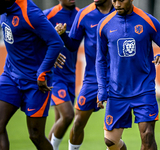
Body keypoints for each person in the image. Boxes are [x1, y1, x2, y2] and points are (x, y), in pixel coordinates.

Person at [96, 0, 160, 150]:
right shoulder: (104, 25)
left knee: (147, 136)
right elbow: (100, 60)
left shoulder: (148, 21)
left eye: (121, 0)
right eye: (114, 0)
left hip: (143, 89)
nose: (117, 4)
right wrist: (101, 89)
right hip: (116, 91)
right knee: (110, 141)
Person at [0, 0, 64, 149]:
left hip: (35, 82)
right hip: (10, 74)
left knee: (35, 135)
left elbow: (55, 43)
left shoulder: (30, 12)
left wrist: (43, 71)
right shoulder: (3, 9)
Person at [54, 0, 127, 150]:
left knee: (111, 141)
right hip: (92, 79)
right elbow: (73, 45)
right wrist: (62, 36)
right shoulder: (84, 14)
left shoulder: (121, 11)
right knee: (78, 122)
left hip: (118, 80)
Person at [43, 1, 79, 150]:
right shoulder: (47, 16)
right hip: (55, 75)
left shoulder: (80, 15)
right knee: (68, 115)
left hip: (71, 75)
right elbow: (34, 40)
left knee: (61, 120)